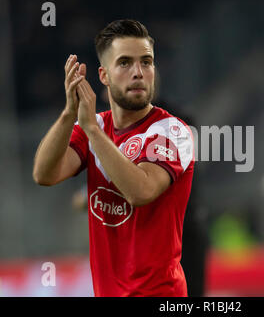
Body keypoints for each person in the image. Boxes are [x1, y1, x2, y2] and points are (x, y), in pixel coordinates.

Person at [32, 19, 195, 297]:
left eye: (146, 62)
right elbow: (44, 174)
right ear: (104, 75)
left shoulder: (171, 130)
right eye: (125, 63)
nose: (138, 73)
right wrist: (69, 114)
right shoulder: (93, 126)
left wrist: (92, 131)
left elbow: (141, 191)